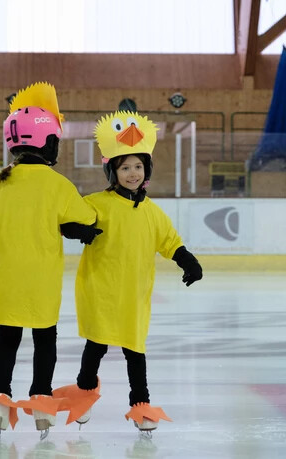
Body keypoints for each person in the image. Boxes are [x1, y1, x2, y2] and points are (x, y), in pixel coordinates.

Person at [53, 110, 202, 435]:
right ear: (113, 171)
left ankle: (140, 404)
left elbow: (169, 241)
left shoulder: (153, 213)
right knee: (96, 347)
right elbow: (68, 219)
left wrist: (187, 260)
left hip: (134, 296)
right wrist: (80, 230)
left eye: (138, 167)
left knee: (135, 350)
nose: (132, 173)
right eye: (125, 168)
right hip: (100, 292)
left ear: (145, 170)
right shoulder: (97, 203)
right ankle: (84, 392)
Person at [0, 82, 101, 439]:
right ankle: (41, 402)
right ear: (50, 143)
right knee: (45, 339)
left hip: (5, 280)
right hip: (41, 281)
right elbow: (86, 219)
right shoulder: (56, 184)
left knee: (7, 337)